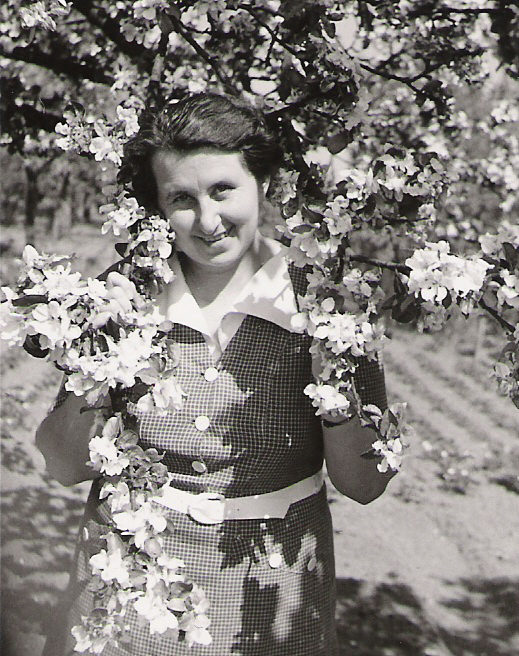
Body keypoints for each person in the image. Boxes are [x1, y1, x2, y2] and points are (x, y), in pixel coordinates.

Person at [36, 93, 395, 656]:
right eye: (182, 198)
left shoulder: (328, 305)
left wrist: (336, 393)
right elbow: (63, 465)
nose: (207, 221)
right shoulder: (126, 292)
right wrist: (99, 358)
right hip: (128, 598)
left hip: (273, 599)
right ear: (157, 207)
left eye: (223, 189)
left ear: (264, 184)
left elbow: (365, 483)